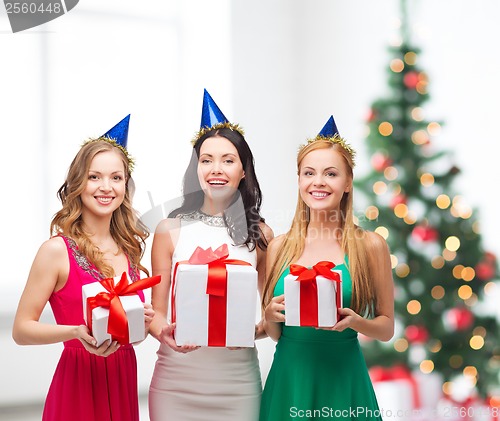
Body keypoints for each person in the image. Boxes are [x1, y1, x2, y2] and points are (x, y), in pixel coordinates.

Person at [12, 115, 154, 421]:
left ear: (126, 185)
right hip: (77, 384)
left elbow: (127, 334)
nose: (106, 187)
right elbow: (21, 330)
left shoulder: (129, 248)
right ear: (78, 183)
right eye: (94, 177)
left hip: (122, 378)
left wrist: (139, 324)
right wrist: (76, 333)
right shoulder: (55, 251)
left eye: (116, 178)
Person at [148, 89, 273, 421]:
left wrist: (254, 331)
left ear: (244, 170)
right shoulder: (169, 229)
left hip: (237, 383)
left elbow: (272, 316)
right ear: (197, 167)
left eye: (228, 160)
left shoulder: (261, 234)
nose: (216, 169)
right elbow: (156, 313)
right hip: (176, 381)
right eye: (207, 159)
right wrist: (165, 332)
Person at [260, 116, 394, 421]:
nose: (318, 182)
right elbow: (276, 335)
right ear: (299, 181)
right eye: (309, 173)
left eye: (330, 173)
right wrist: (269, 316)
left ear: (347, 183)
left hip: (343, 377)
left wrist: (356, 322)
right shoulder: (280, 247)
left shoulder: (370, 246)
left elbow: (386, 328)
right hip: (291, 378)